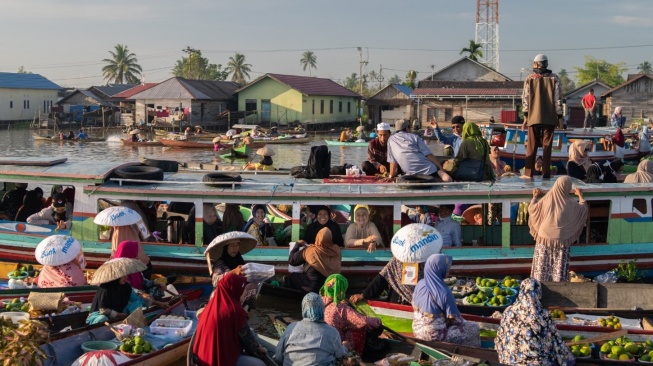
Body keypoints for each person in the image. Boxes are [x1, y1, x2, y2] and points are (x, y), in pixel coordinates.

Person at [190, 273, 267, 366]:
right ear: (235, 289)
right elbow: (249, 342)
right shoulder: (236, 311)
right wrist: (260, 349)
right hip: (220, 361)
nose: (245, 292)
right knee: (260, 364)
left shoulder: (210, 307)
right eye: (243, 289)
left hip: (202, 359)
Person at [495, 278, 575, 366]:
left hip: (508, 361)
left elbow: (499, 339)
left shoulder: (508, 311)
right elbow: (556, 342)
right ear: (538, 294)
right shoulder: (542, 314)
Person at [412, 254, 480, 347]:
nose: (448, 270)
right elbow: (456, 320)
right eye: (446, 267)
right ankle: (467, 354)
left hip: (417, 330)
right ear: (438, 269)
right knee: (473, 328)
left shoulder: (420, 283)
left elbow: (414, 304)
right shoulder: (444, 292)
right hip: (434, 336)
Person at [529, 176, 588, 282]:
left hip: (544, 237)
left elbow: (532, 209)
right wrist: (580, 196)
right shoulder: (570, 203)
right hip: (561, 239)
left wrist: (535, 197)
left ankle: (539, 286)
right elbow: (583, 209)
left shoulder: (547, 198)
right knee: (558, 267)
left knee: (542, 266)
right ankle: (558, 289)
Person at [273, 292, 349, 366]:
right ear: (322, 309)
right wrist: (345, 347)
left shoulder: (291, 328)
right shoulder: (332, 332)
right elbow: (340, 355)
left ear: (303, 308)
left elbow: (278, 357)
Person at [86, 259, 169, 325]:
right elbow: (104, 310)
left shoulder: (126, 286)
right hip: (98, 315)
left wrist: (159, 303)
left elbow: (139, 299)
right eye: (124, 276)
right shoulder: (105, 289)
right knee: (102, 319)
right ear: (117, 276)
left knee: (136, 304)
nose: (126, 277)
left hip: (118, 313)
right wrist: (121, 315)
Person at [320, 274, 384, 359]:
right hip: (337, 345)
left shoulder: (318, 301)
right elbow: (363, 321)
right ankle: (356, 357)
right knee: (360, 329)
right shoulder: (340, 307)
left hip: (321, 343)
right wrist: (377, 321)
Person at [521, 54, 563, 179]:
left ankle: (528, 174)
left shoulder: (530, 78)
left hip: (533, 117)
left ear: (537, 64)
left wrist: (525, 116)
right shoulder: (554, 78)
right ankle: (546, 175)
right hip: (550, 118)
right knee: (547, 148)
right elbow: (558, 100)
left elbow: (525, 98)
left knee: (531, 147)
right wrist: (559, 117)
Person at [386, 119, 453, 182]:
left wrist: (391, 176)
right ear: (407, 128)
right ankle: (446, 178)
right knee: (440, 171)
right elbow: (428, 154)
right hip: (428, 170)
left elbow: (392, 161)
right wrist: (441, 168)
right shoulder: (414, 137)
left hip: (410, 174)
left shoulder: (390, 140)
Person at [206, 233, 259, 311]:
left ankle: (246, 310)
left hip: (237, 294)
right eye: (232, 246)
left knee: (253, 285)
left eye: (237, 245)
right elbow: (215, 281)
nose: (235, 248)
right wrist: (233, 273)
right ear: (226, 248)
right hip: (222, 296)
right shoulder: (220, 263)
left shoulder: (239, 261)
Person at [349, 257, 425, 305]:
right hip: (419, 305)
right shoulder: (427, 262)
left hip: (404, 303)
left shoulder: (396, 261)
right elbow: (382, 278)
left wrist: (364, 295)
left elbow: (382, 278)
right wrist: (364, 295)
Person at [287, 227, 341, 294]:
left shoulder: (311, 251)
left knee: (292, 277)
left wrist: (298, 244)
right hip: (330, 288)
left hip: (311, 288)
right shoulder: (336, 250)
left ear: (318, 237)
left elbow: (292, 260)